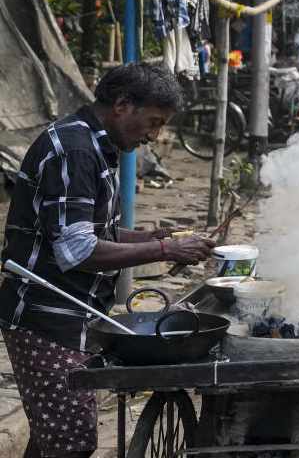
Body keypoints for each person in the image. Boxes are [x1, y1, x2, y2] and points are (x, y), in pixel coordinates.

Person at [0, 63, 216, 458]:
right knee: (71, 442)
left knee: (55, 437)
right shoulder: (76, 151)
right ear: (121, 105)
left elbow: (86, 231)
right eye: (153, 122)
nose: (155, 136)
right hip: (47, 318)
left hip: (73, 314)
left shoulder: (96, 146)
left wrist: (152, 238)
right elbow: (77, 250)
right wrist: (165, 251)